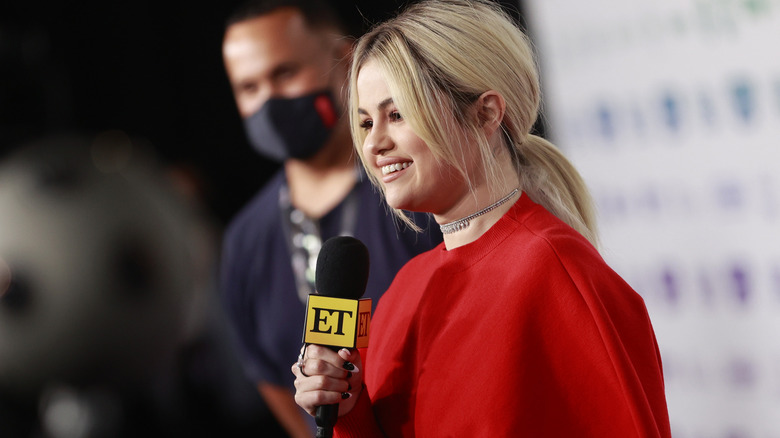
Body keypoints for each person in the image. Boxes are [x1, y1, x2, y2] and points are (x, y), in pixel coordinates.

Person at [291, 0, 673, 436]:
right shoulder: (405, 291)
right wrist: (347, 409)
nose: (374, 143)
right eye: (364, 122)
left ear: (486, 113)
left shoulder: (559, 274)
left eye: (396, 114)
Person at [219, 1, 442, 436]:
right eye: (248, 88)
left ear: (344, 58)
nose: (269, 101)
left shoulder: (421, 194)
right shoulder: (244, 244)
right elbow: (278, 392)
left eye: (284, 74)